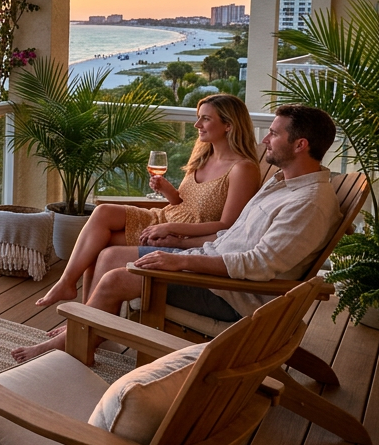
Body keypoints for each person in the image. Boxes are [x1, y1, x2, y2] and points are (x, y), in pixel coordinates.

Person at [12, 104, 342, 363]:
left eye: (273, 134)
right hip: (205, 262)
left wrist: (180, 262)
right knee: (110, 255)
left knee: (115, 279)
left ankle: (76, 339)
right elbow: (232, 236)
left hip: (229, 293)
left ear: (300, 144)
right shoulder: (281, 182)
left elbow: (258, 264)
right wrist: (182, 246)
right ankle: (85, 335)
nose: (265, 140)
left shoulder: (308, 204)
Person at [32, 94, 261, 309]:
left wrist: (170, 228)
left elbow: (227, 227)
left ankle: (84, 316)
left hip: (186, 235)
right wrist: (167, 190)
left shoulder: (242, 169)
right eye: (198, 117)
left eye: (205, 119)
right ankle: (72, 292)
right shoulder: (204, 155)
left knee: (104, 244)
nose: (197, 124)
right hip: (164, 219)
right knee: (103, 213)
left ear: (228, 125)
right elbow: (182, 201)